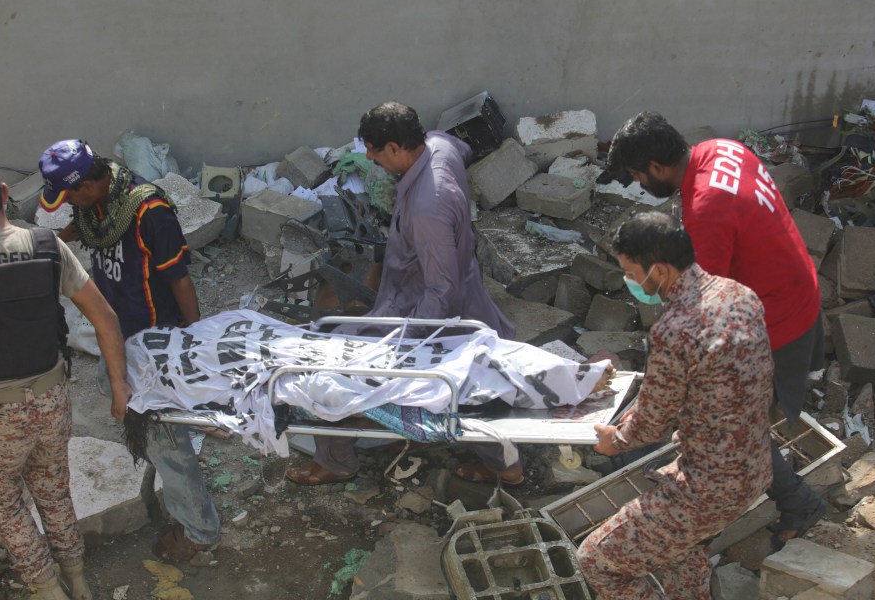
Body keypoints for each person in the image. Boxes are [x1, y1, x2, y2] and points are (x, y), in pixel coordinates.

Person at [607, 111, 827, 551]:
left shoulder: (708, 211)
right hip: (794, 293)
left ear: (655, 167)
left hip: (772, 323)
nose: (639, 184)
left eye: (636, 175)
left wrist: (648, 409)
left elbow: (697, 310)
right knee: (739, 422)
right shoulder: (723, 150)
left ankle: (797, 503)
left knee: (737, 428)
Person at [285, 101, 518, 486]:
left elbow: (439, 290)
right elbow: (464, 151)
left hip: (426, 309)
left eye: (375, 154)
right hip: (454, 288)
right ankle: (504, 465)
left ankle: (337, 460)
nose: (373, 161)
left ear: (394, 148)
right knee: (474, 387)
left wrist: (398, 351)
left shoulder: (428, 206)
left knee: (340, 372)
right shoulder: (441, 146)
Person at [0, 155, 131, 600]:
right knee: (54, 489)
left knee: (5, 502)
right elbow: (106, 319)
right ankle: (77, 577)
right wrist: (120, 387)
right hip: (52, 398)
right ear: (5, 195)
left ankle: (45, 587)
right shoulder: (49, 245)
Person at [38, 139, 220, 563]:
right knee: (117, 392)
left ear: (87, 184)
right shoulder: (94, 206)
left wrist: (194, 338)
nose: (69, 205)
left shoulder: (148, 212)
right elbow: (75, 234)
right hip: (116, 331)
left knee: (169, 443)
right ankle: (178, 431)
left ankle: (200, 531)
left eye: (69, 196)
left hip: (155, 339)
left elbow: (178, 277)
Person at [576, 212, 773, 598]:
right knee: (679, 549)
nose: (629, 282)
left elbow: (649, 427)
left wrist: (612, 440)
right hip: (753, 467)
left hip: (705, 487)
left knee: (596, 561)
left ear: (660, 271)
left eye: (631, 273)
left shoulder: (676, 330)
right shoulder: (739, 294)